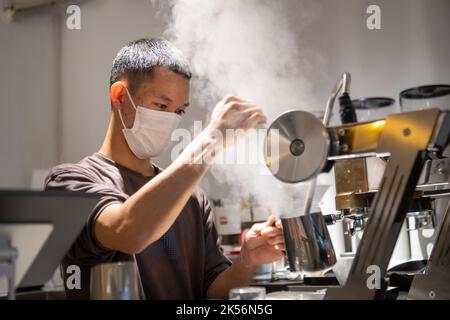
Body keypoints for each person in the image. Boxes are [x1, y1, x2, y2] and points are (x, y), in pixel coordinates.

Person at [45, 38, 285, 299]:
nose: (171, 119)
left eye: (179, 110)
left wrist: (247, 261)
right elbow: (130, 232)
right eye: (161, 106)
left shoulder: (192, 199)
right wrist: (210, 141)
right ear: (120, 96)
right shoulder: (69, 183)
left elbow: (212, 294)